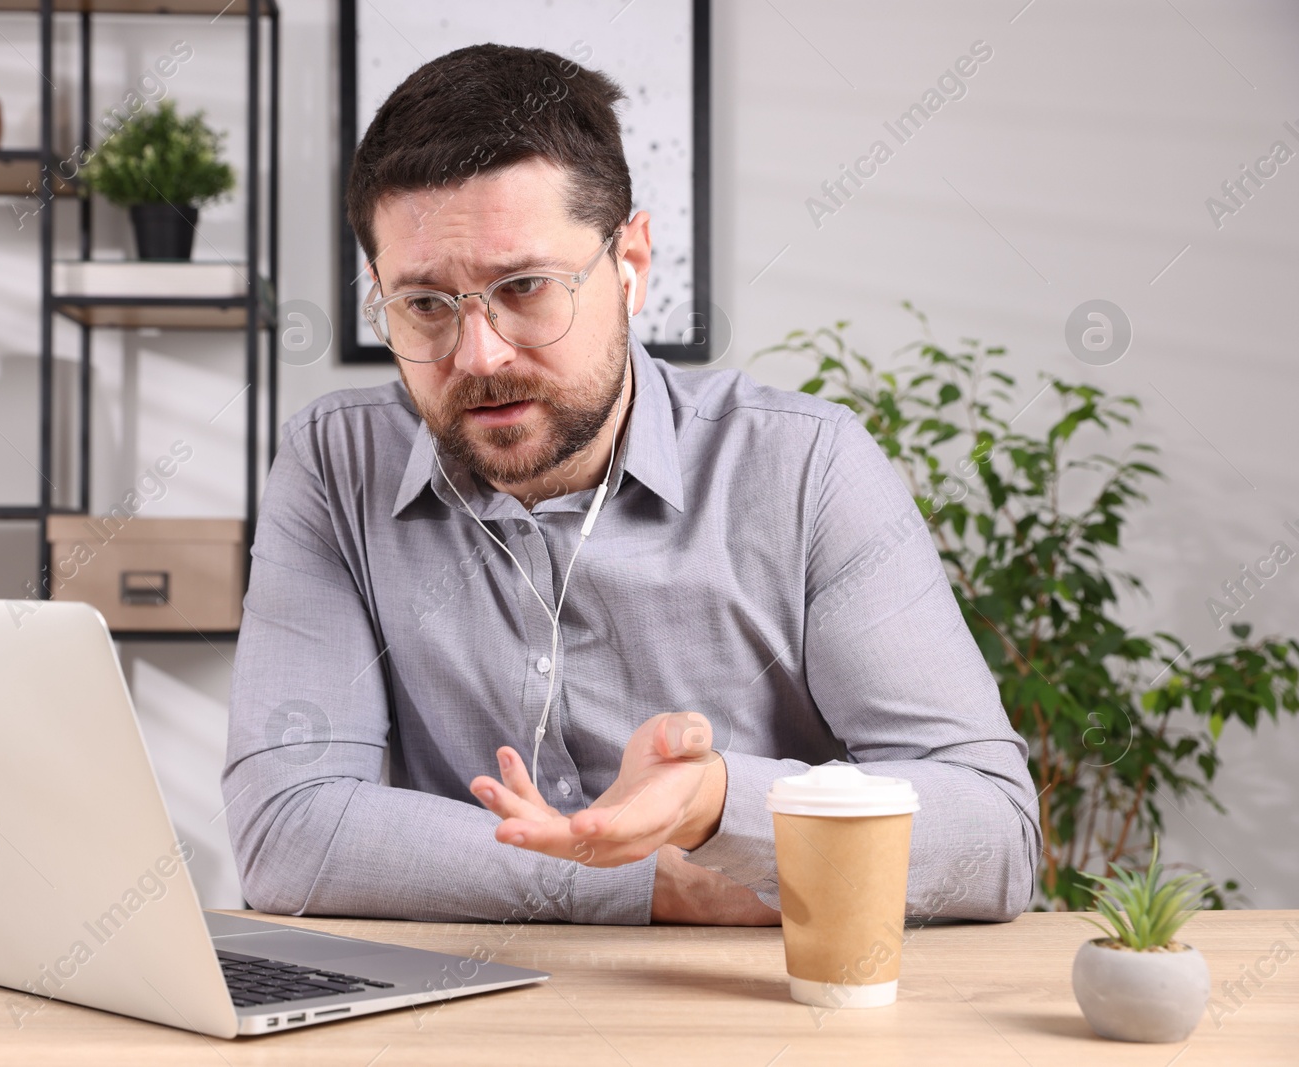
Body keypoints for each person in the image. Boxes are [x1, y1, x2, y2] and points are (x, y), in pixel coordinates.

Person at [222, 44, 1040, 925]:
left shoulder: (806, 467)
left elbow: (993, 834)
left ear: (631, 264)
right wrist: (645, 880)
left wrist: (722, 805)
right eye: (424, 304)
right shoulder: (336, 463)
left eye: (526, 287)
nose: (481, 354)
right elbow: (287, 832)